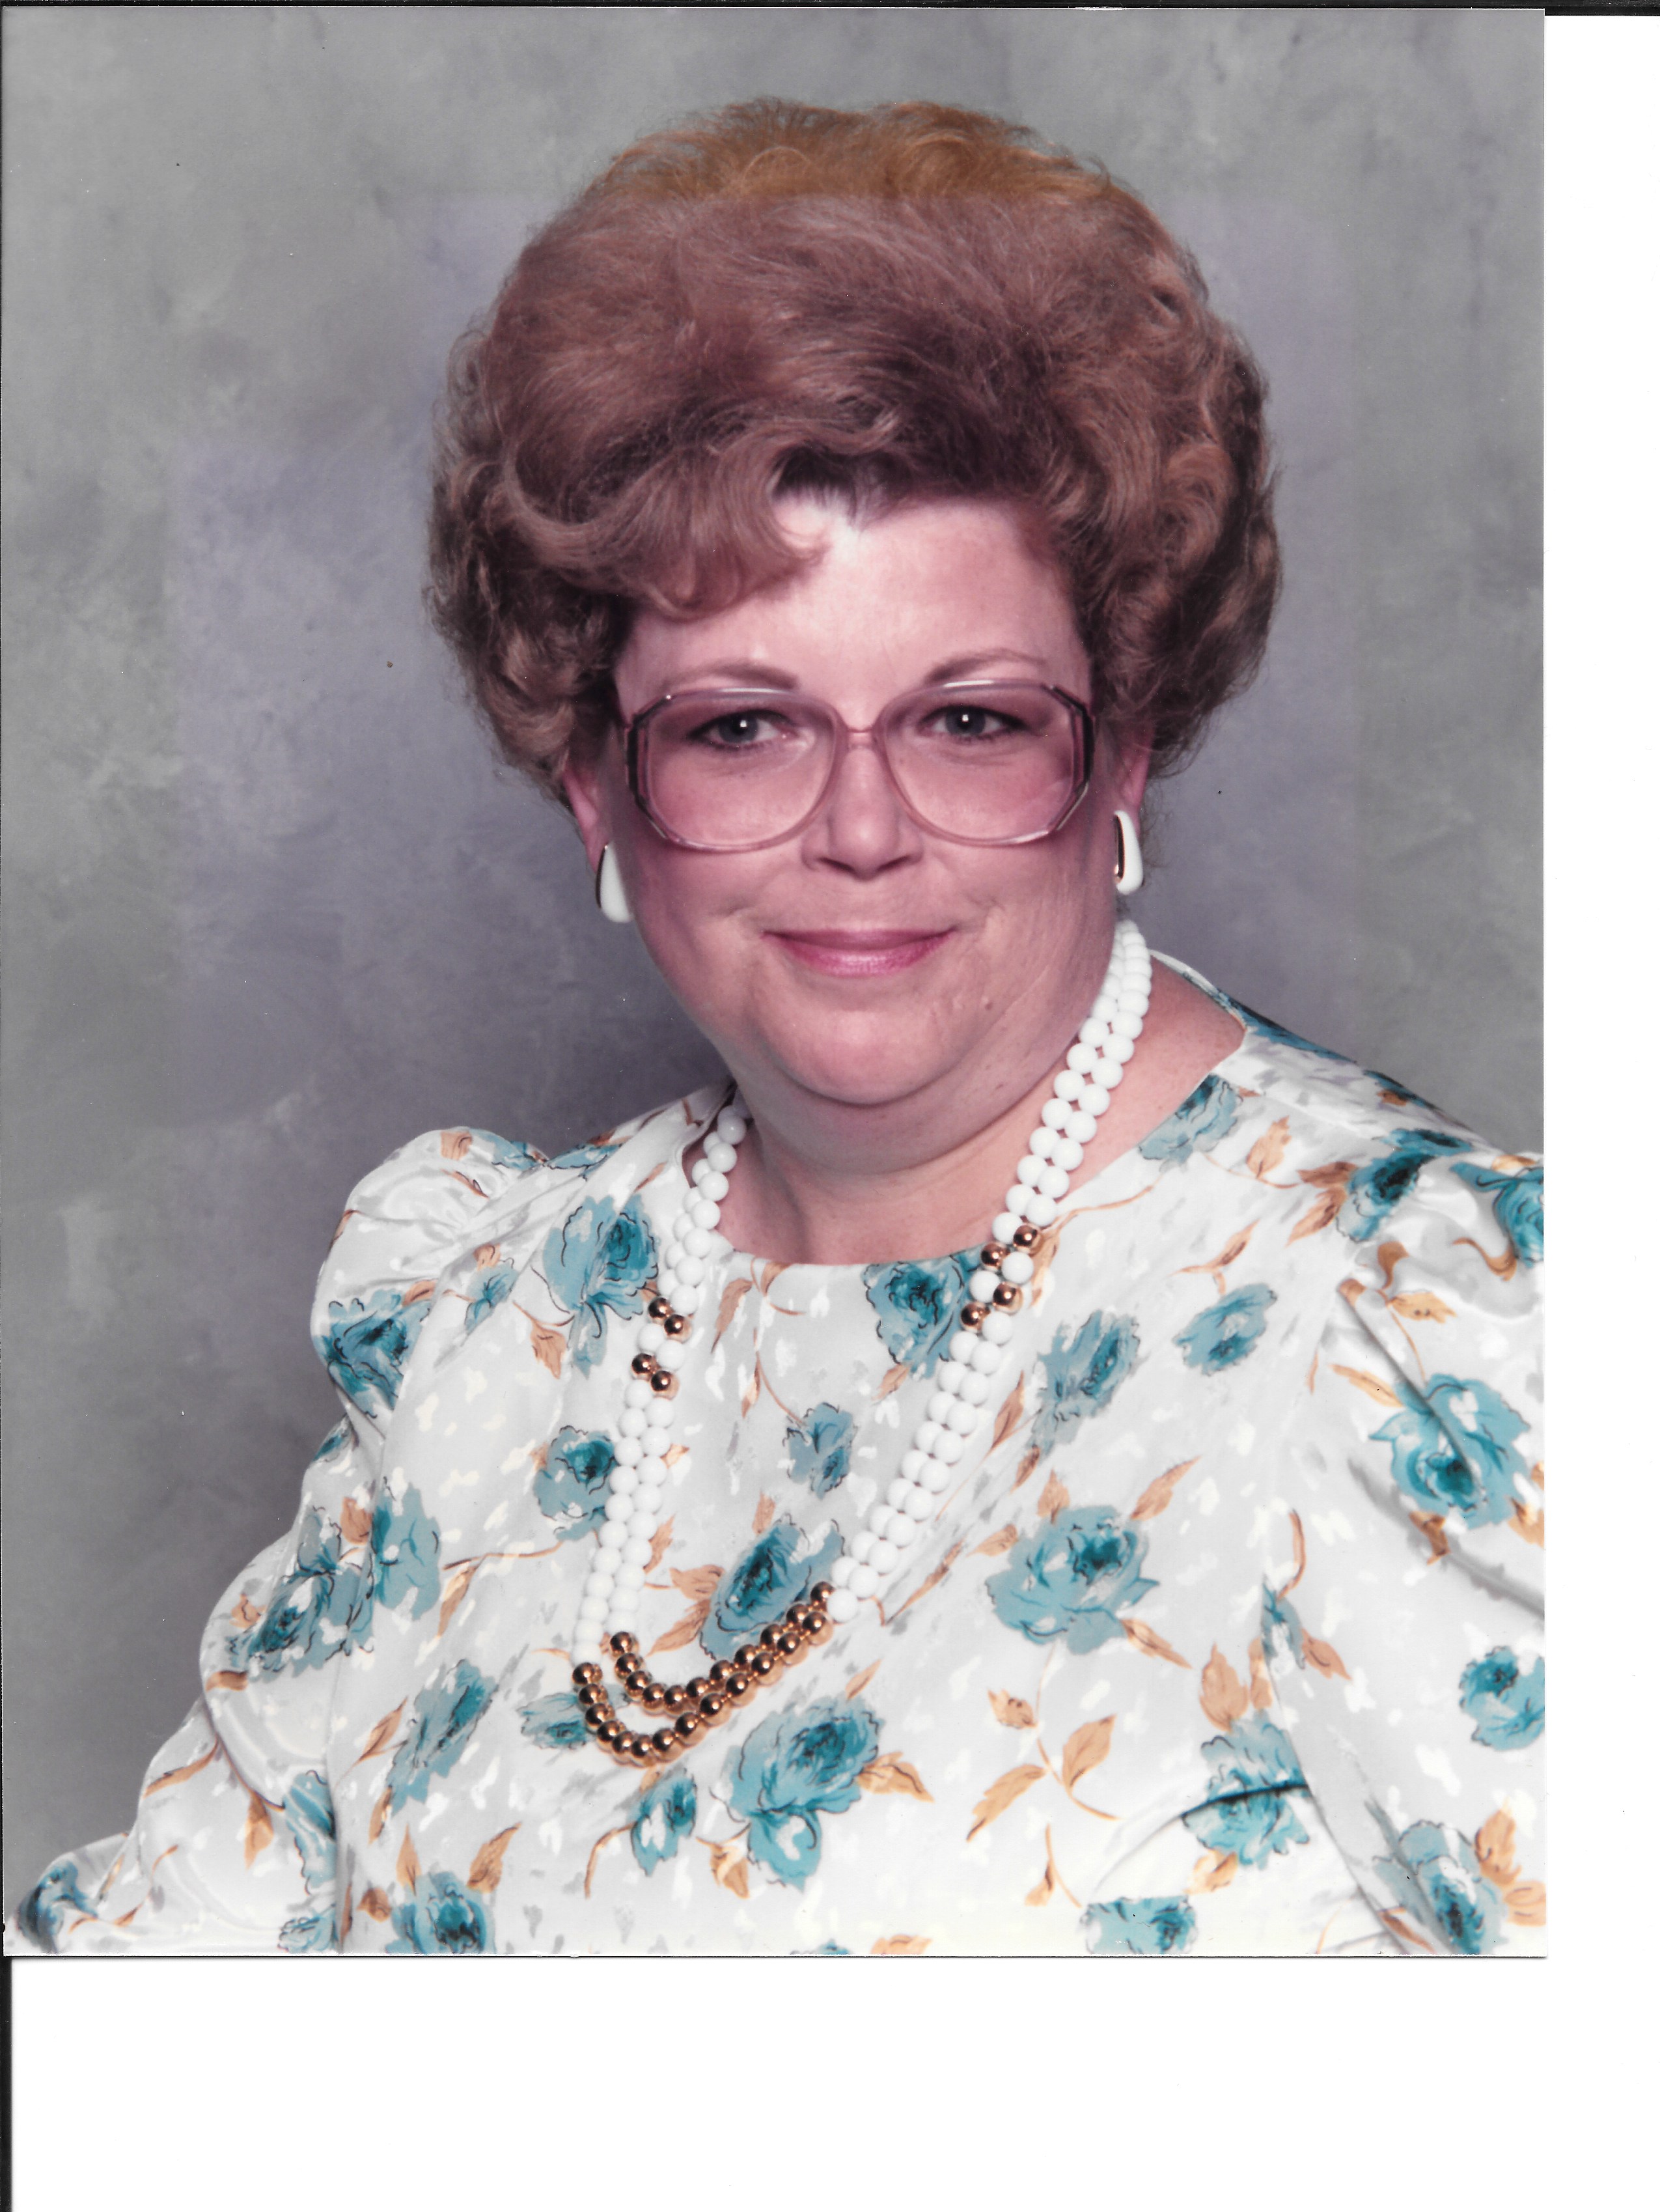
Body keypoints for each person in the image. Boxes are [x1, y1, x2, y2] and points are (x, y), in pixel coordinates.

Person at [7, 99, 1542, 1957]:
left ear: (1122, 751)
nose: (863, 830)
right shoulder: (494, 1320)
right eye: (743, 726)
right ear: (594, 783)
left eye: (971, 719)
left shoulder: (1418, 1331)